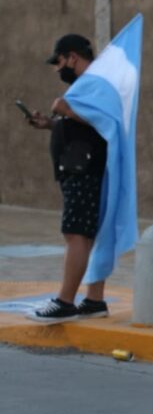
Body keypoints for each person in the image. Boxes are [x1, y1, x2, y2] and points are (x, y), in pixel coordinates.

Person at [23, 34, 110, 323]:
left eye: (59, 62)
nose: (57, 69)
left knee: (76, 233)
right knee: (83, 234)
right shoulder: (86, 85)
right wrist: (51, 123)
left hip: (85, 170)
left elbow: (105, 121)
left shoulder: (95, 83)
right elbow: (81, 126)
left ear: (72, 57)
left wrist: (67, 109)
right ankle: (94, 300)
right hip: (79, 168)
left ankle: (65, 301)